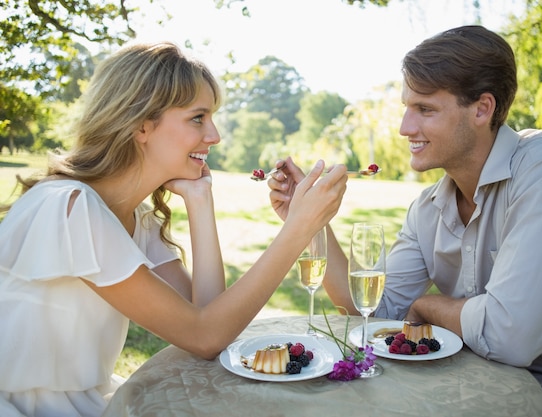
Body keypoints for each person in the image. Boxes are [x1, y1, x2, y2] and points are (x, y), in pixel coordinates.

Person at [268, 26, 542, 417]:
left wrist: (429, 305)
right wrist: (310, 222)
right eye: (407, 108)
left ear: (481, 109)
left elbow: (510, 338)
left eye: (425, 109)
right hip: (485, 387)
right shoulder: (428, 209)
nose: (405, 128)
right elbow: (374, 310)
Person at [0, 42, 348, 417]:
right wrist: (298, 230)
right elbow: (203, 336)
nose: (213, 135)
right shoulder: (69, 207)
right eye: (198, 118)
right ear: (141, 125)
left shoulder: (135, 218)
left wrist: (200, 201)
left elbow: (209, 321)